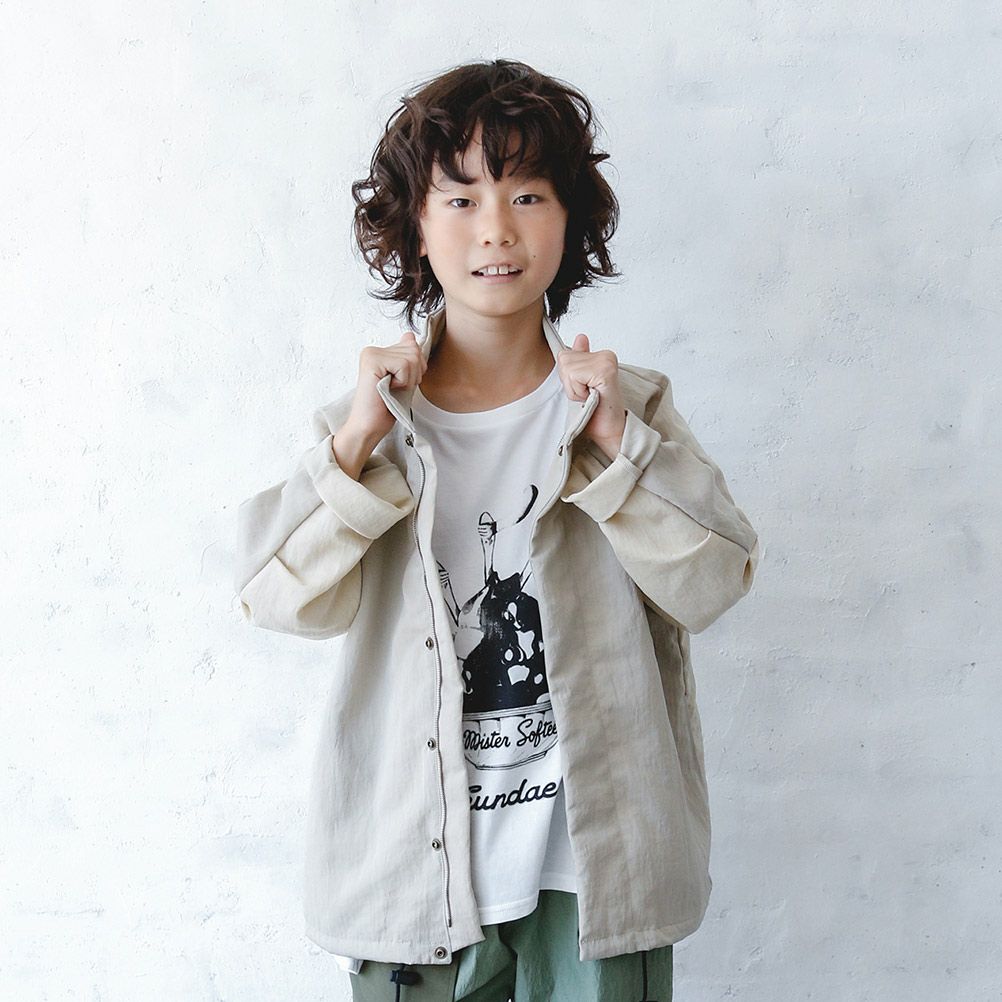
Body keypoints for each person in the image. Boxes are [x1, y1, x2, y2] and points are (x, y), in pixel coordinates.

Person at [234, 58, 759, 1002]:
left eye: (527, 195)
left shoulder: (626, 410)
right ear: (416, 223)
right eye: (461, 198)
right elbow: (274, 598)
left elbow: (716, 579)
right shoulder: (369, 428)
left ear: (569, 219)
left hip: (598, 879)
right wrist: (355, 441)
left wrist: (619, 449)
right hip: (413, 881)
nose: (496, 230)